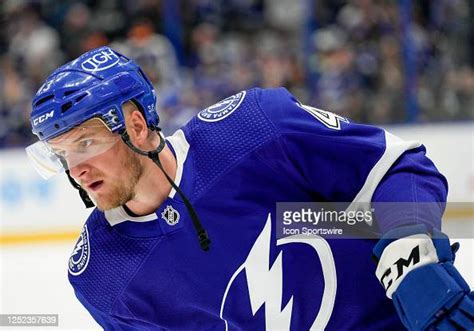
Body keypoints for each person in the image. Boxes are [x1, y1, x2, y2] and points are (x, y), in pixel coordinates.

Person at [27, 46, 473, 330]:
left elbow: (399, 167)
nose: (77, 169)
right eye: (63, 154)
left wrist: (409, 246)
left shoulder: (250, 130)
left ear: (136, 126)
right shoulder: (102, 275)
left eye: (86, 143)